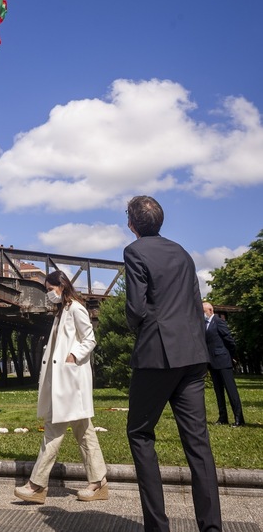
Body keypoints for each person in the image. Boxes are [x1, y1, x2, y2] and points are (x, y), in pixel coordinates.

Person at [124, 196, 222, 532]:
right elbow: (195, 302)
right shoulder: (183, 253)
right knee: (198, 443)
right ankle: (211, 528)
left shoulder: (134, 252)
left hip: (157, 355)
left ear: (131, 223)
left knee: (139, 433)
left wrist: (142, 327)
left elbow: (136, 309)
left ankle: (158, 526)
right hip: (193, 355)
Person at [14, 270, 108, 504]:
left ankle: (37, 486)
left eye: (50, 288)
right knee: (84, 432)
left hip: (70, 382)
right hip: (64, 383)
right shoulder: (62, 311)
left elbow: (90, 338)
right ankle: (98, 483)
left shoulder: (75, 308)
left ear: (62, 286)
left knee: (53, 431)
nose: (48, 294)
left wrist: (73, 356)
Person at [203, 301, 245, 427]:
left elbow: (229, 340)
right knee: (218, 391)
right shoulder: (204, 325)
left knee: (231, 390)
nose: (201, 314)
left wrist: (231, 355)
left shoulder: (218, 321)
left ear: (210, 310)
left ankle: (239, 419)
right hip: (212, 362)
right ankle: (223, 417)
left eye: (203, 311)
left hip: (223, 360)